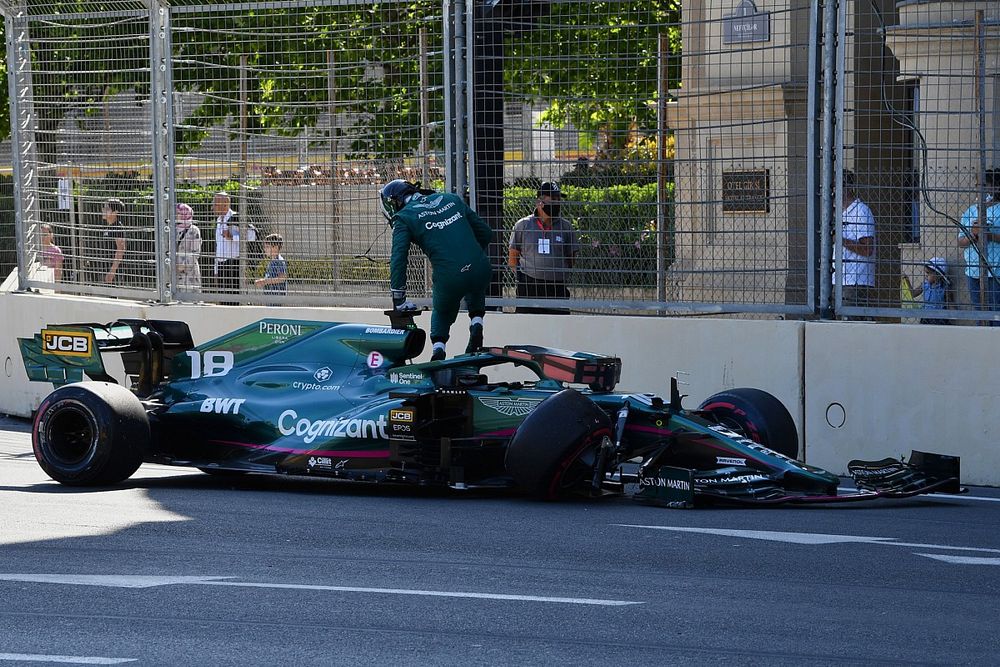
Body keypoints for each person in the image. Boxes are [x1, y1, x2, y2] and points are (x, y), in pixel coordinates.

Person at [380, 179, 492, 361]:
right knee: (474, 283)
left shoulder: (404, 217)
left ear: (396, 201)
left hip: (449, 276)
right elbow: (486, 233)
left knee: (441, 310)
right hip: (481, 267)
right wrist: (471, 255)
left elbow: (398, 259)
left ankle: (438, 350)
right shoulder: (451, 199)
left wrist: (398, 298)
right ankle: (476, 321)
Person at [508, 181, 578, 313]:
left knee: (558, 328)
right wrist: (522, 277)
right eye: (553, 199)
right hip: (529, 287)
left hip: (557, 288)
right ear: (540, 202)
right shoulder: (523, 225)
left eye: (558, 199)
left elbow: (571, 259)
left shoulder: (566, 227)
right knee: (527, 326)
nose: (557, 202)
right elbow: (513, 257)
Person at [956, 169, 1000, 326]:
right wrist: (974, 236)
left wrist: (988, 235)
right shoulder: (971, 211)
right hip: (973, 271)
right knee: (980, 315)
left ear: (994, 187)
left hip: (995, 271)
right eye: (977, 185)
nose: (980, 188)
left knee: (996, 314)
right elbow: (960, 241)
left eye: (984, 184)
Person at [837, 170, 876, 312]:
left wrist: (842, 240)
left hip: (856, 281)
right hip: (840, 279)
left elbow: (867, 249)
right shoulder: (839, 213)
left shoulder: (861, 212)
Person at [213, 192, 245, 304]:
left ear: (225, 204)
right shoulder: (218, 220)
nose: (212, 206)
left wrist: (232, 237)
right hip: (222, 266)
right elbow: (219, 246)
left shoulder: (235, 218)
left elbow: (252, 236)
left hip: (233, 264)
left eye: (215, 204)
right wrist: (216, 270)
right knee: (224, 302)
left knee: (233, 301)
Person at [902, 257, 951, 325]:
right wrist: (907, 281)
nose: (926, 276)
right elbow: (913, 294)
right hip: (925, 316)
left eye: (928, 273)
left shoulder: (943, 288)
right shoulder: (925, 285)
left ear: (937, 275)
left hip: (939, 317)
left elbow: (950, 303)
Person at [175, 203, 202, 293]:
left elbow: (196, 252)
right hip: (174, 272)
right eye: (178, 213)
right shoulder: (171, 229)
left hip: (190, 274)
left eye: (182, 214)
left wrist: (182, 265)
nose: (179, 216)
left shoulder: (194, 230)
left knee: (190, 299)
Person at [99, 198, 127, 286]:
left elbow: (121, 249)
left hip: (114, 270)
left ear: (115, 212)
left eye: (107, 209)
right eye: (103, 208)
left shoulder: (117, 227)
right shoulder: (109, 226)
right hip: (106, 267)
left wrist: (112, 272)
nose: (103, 210)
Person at [254, 233, 288, 302]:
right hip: (271, 296)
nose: (264, 249)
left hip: (276, 296)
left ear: (275, 247)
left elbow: (282, 278)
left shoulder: (279, 261)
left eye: (267, 247)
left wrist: (264, 281)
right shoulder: (272, 261)